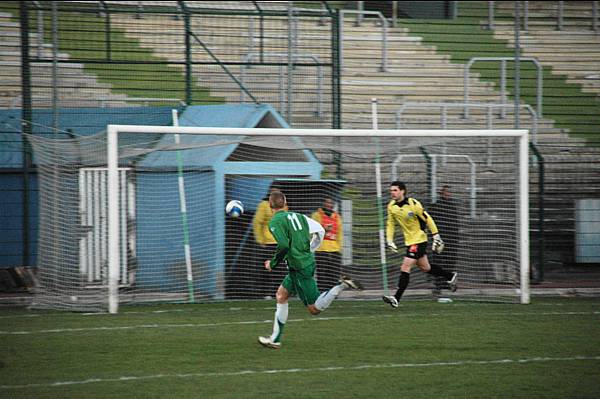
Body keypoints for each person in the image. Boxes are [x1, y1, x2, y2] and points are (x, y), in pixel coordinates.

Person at [258, 190, 362, 349]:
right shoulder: (298, 216)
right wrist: (311, 249)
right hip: (302, 264)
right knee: (281, 295)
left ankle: (342, 285)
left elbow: (284, 245)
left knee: (314, 308)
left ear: (270, 205)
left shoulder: (275, 222)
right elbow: (320, 230)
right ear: (285, 204)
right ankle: (275, 339)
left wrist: (272, 264)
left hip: (299, 268)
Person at [382, 181, 457, 308]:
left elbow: (428, 219)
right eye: (391, 190)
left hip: (419, 240)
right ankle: (450, 276)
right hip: (409, 241)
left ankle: (396, 298)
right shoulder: (391, 206)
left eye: (395, 190)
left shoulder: (413, 204)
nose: (392, 193)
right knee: (426, 268)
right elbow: (390, 224)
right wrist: (389, 240)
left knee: (405, 266)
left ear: (402, 191)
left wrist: (436, 235)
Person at [252, 185, 285, 297]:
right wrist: (260, 240)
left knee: (280, 270)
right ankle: (265, 293)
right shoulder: (263, 205)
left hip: (280, 243)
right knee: (267, 268)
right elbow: (257, 222)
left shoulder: (284, 206)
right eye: (274, 192)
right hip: (268, 244)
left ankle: (278, 292)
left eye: (278, 192)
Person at [428, 185, 460, 296]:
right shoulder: (435, 207)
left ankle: (448, 283)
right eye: (446, 192)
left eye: (449, 192)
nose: (448, 194)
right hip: (439, 240)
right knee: (438, 263)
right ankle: (438, 286)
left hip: (451, 240)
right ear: (441, 193)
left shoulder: (453, 207)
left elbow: (455, 225)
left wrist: (455, 239)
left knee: (450, 262)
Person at [311, 197, 343, 291]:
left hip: (334, 250)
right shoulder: (316, 215)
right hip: (321, 249)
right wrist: (323, 229)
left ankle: (333, 293)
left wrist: (339, 248)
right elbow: (312, 231)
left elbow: (340, 234)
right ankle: (322, 292)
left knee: (334, 274)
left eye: (331, 203)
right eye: (327, 202)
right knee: (322, 274)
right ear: (323, 204)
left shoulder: (337, 217)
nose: (329, 205)